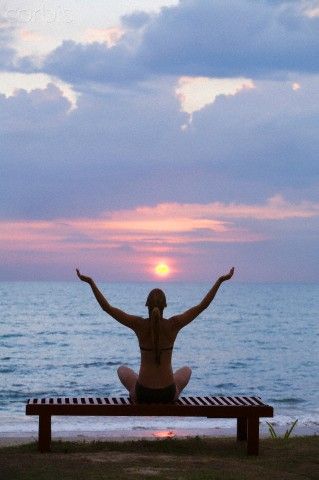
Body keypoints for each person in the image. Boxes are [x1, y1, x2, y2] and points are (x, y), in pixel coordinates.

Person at [76, 267, 234, 403]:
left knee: (122, 369)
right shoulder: (174, 324)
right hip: (168, 394)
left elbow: (107, 308)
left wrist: (90, 282)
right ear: (165, 305)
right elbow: (202, 306)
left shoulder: (138, 324)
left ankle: (142, 383)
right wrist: (220, 280)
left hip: (143, 393)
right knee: (186, 370)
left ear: (146, 305)